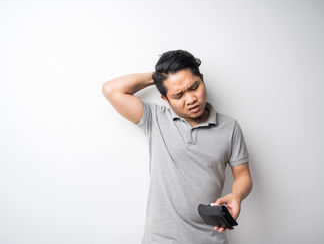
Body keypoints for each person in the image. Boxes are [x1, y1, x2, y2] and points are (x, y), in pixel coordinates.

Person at [102, 50, 253, 244]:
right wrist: (159, 77)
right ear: (165, 99)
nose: (190, 99)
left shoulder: (229, 127)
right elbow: (111, 89)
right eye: (178, 94)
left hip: (210, 238)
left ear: (202, 79)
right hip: (160, 239)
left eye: (194, 87)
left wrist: (237, 196)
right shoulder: (155, 118)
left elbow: (243, 175)